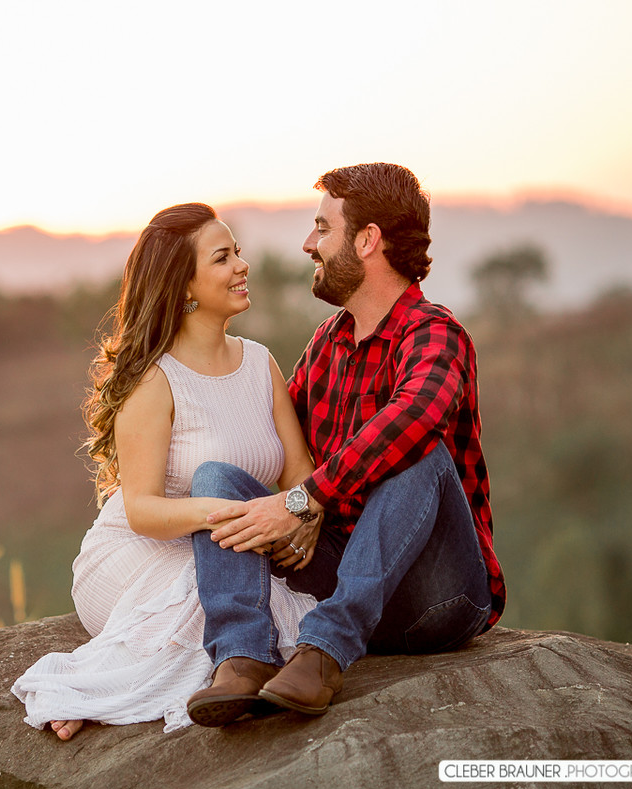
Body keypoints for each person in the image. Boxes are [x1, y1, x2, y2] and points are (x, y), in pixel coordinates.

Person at [186, 163, 506, 726]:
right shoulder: (328, 341)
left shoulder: (435, 332)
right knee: (218, 478)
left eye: (322, 229)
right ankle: (242, 657)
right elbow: (270, 436)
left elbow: (413, 417)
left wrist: (305, 499)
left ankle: (325, 652)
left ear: (367, 239)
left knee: (419, 450)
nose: (309, 244)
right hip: (343, 572)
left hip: (441, 594)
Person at [11, 203, 319, 739]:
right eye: (223, 258)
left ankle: (230, 672)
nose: (242, 266)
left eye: (238, 252)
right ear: (183, 288)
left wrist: (299, 517)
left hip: (229, 549)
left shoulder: (260, 362)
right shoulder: (156, 379)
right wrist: (234, 514)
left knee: (269, 608)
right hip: (139, 551)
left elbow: (297, 470)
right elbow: (142, 509)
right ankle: (98, 688)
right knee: (215, 608)